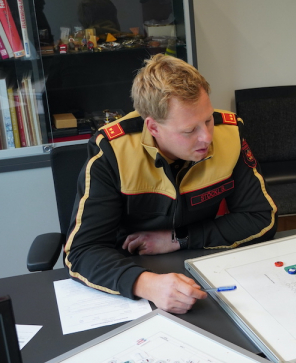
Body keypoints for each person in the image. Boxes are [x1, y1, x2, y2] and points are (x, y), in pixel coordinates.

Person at [64, 54, 278, 314]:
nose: (207, 137)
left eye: (208, 119)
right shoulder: (114, 151)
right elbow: (82, 251)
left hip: (200, 262)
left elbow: (261, 218)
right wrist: (146, 284)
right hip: (130, 272)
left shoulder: (230, 133)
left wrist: (178, 239)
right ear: (153, 127)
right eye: (189, 131)